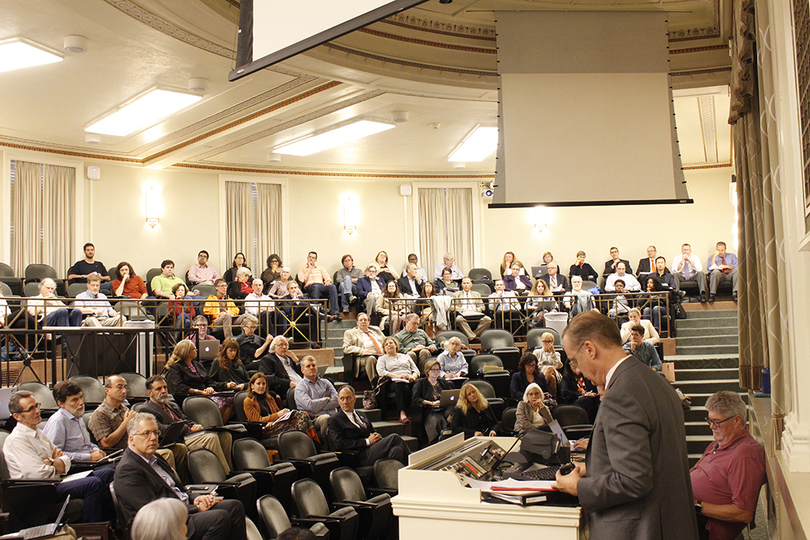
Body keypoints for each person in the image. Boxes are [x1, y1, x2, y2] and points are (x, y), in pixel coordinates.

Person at [552, 311, 698, 540]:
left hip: (641, 529)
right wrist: (596, 468)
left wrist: (578, 488)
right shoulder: (654, 380)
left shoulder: (620, 394)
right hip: (671, 522)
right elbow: (653, 455)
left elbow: (633, 480)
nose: (577, 370)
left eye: (574, 360)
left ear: (590, 349)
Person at [114, 412, 247, 540]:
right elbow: (153, 512)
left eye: (155, 432)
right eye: (146, 434)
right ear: (131, 440)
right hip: (165, 523)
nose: (153, 438)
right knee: (219, 518)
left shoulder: (156, 458)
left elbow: (179, 489)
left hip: (183, 507)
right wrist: (196, 508)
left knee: (234, 507)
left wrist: (196, 498)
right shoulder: (128, 470)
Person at [4, 391, 116, 524]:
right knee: (93, 484)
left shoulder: (38, 432)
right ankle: (92, 532)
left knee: (108, 474)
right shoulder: (17, 440)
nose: (37, 411)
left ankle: (109, 528)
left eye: (37, 406)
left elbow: (65, 459)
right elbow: (38, 475)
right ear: (17, 416)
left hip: (56, 480)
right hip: (40, 491)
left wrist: (51, 462)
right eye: (31, 409)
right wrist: (56, 464)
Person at [691, 391, 766, 540]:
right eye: (709, 420)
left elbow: (743, 513)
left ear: (737, 420)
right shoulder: (717, 444)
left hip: (705, 526)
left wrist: (697, 505)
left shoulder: (745, 454)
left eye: (717, 422)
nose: (712, 426)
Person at [88, 374, 186, 471]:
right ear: (107, 390)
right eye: (119, 387)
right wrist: (125, 423)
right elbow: (106, 444)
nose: (124, 391)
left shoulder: (125, 409)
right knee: (166, 454)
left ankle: (181, 484)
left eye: (125, 387)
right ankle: (167, 484)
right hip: (121, 454)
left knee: (180, 448)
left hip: (140, 447)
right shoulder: (100, 414)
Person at [140, 375, 233, 475]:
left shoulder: (172, 405)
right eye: (158, 389)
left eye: (165, 388)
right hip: (178, 439)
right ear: (150, 393)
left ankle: (230, 470)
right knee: (210, 438)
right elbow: (161, 430)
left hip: (190, 434)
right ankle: (225, 475)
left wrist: (195, 425)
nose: (163, 391)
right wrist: (187, 429)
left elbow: (186, 419)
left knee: (225, 436)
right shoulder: (147, 409)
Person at [329, 385, 410, 465]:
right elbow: (340, 444)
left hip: (371, 450)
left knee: (397, 451)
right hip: (357, 456)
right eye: (342, 399)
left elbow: (372, 431)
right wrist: (367, 441)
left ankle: (399, 476)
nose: (345, 402)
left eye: (348, 398)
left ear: (354, 399)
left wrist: (377, 436)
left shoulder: (361, 414)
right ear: (338, 401)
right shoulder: (335, 420)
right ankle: (415, 466)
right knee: (394, 438)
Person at [164, 340, 238, 422]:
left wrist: (210, 387)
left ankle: (221, 424)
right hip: (191, 396)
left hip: (205, 393)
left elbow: (208, 380)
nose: (196, 350)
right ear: (187, 352)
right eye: (194, 348)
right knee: (221, 402)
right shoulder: (177, 367)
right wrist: (199, 391)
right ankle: (213, 424)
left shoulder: (197, 365)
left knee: (230, 399)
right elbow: (179, 386)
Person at [241, 372, 319, 444]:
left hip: (276, 424)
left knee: (301, 415)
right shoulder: (248, 401)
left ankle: (310, 444)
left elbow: (279, 414)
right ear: (252, 386)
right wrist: (277, 415)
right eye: (258, 384)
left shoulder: (270, 398)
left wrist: (285, 413)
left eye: (263, 384)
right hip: (264, 430)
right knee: (300, 418)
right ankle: (314, 443)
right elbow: (257, 420)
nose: (261, 386)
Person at [43, 380, 107, 463]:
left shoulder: (78, 416)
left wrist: (96, 450)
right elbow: (55, 455)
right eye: (74, 400)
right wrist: (88, 457)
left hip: (91, 462)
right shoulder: (58, 421)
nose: (81, 402)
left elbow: (86, 445)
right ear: (61, 404)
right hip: (76, 466)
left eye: (81, 397)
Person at [376, 336, 420, 423]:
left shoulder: (406, 356)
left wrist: (413, 377)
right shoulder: (382, 359)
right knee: (401, 385)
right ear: (384, 349)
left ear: (396, 345)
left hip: (409, 378)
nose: (389, 345)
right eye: (386, 344)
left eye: (391, 343)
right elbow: (381, 372)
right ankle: (402, 413)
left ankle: (419, 410)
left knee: (420, 383)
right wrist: (397, 376)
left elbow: (416, 370)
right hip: (393, 381)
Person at [294, 355, 339, 438]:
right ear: (302, 370)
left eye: (313, 365)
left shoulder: (326, 382)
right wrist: (326, 399)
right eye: (308, 366)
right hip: (313, 419)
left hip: (333, 414)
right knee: (326, 418)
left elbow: (337, 400)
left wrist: (319, 407)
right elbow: (309, 405)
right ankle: (328, 446)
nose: (312, 368)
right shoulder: (300, 387)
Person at [411, 359, 454, 444]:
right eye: (433, 370)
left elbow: (450, 394)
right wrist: (431, 403)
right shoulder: (421, 383)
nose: (436, 372)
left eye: (437, 369)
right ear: (427, 371)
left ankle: (451, 435)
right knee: (436, 420)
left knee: (455, 411)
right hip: (429, 409)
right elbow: (416, 399)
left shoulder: (443, 382)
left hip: (443, 407)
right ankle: (436, 441)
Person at [342, 312, 385, 382]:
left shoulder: (376, 330)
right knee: (371, 359)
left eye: (365, 320)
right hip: (363, 357)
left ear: (369, 322)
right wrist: (361, 350)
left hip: (382, 355)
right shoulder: (350, 333)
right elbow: (346, 348)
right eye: (361, 320)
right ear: (357, 323)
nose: (363, 322)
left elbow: (385, 341)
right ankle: (374, 384)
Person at [297, 251, 339, 321]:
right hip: (309, 286)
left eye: (313, 258)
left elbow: (327, 277)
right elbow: (301, 280)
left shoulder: (320, 268)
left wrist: (327, 281)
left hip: (321, 285)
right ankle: (314, 311)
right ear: (307, 258)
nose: (311, 259)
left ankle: (335, 312)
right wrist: (309, 268)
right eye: (310, 257)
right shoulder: (301, 268)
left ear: (315, 260)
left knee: (332, 287)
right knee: (315, 286)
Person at [452, 277, 492, 341]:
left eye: (468, 283)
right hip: (463, 314)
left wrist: (477, 310)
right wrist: (462, 310)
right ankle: (474, 338)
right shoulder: (456, 295)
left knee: (488, 319)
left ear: (471, 284)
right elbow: (452, 307)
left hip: (475, 314)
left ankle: (471, 336)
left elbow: (482, 307)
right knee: (458, 319)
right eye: (464, 283)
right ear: (462, 284)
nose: (466, 285)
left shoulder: (476, 294)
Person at [532, 332, 563, 397]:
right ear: (542, 342)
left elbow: (559, 366)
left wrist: (553, 353)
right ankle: (553, 399)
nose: (547, 343)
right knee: (552, 378)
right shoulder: (537, 352)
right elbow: (533, 365)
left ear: (553, 342)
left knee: (549, 369)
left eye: (550, 341)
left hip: (555, 373)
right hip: (540, 373)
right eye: (545, 341)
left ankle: (538, 391)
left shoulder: (556, 354)